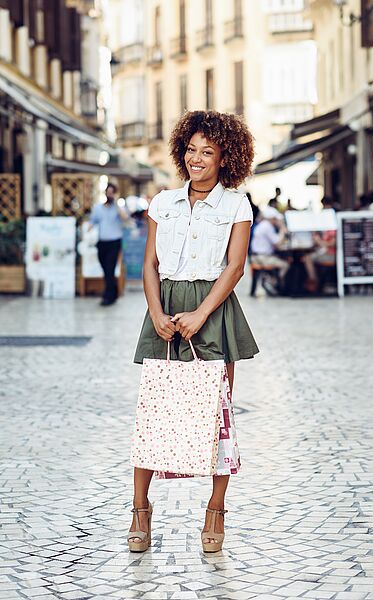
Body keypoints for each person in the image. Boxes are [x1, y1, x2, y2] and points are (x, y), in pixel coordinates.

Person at [130, 110, 260, 553]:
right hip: (163, 311)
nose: (197, 159)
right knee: (153, 412)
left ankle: (216, 510)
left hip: (214, 312)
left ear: (226, 158)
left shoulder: (236, 203)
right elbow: (149, 264)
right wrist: (156, 312)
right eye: (191, 150)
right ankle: (139, 510)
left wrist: (202, 313)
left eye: (208, 152)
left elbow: (236, 266)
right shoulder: (162, 203)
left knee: (218, 415)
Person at [88, 182, 129, 306]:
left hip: (114, 242)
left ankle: (108, 296)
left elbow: (125, 218)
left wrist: (116, 203)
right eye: (108, 192)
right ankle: (114, 291)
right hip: (102, 242)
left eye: (112, 192)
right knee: (105, 268)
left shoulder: (118, 208)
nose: (109, 195)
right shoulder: (98, 208)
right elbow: (92, 221)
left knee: (110, 268)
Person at [250, 206, 290, 287]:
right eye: (276, 219)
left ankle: (272, 280)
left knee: (280, 259)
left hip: (257, 256)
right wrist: (282, 229)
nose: (277, 221)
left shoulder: (263, 225)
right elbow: (277, 243)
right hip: (262, 258)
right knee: (286, 265)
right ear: (272, 218)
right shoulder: (267, 226)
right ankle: (275, 283)